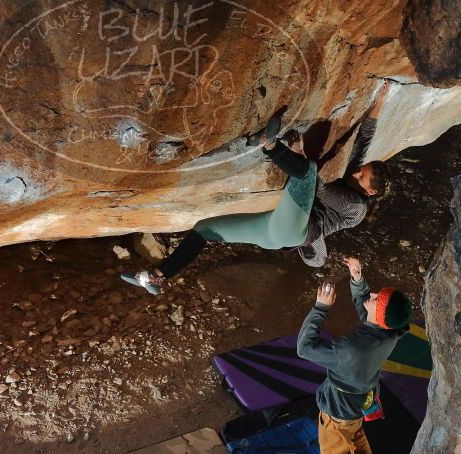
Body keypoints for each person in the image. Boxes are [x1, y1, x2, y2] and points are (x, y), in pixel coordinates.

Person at [120, 82, 392, 295]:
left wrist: (299, 153)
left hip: (297, 230)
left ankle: (269, 144)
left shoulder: (356, 208)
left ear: (370, 193)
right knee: (203, 229)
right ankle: (158, 276)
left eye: (362, 177)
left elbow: (318, 188)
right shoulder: (355, 182)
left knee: (308, 172)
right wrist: (379, 102)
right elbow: (362, 143)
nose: (356, 173)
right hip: (272, 234)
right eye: (360, 170)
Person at [296, 256, 412, 454]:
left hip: (337, 413)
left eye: (376, 298)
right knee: (354, 433)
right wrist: (358, 280)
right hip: (361, 402)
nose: (373, 294)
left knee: (335, 447)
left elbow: (304, 348)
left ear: (381, 317)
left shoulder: (349, 350)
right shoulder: (392, 332)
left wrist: (320, 308)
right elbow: (369, 311)